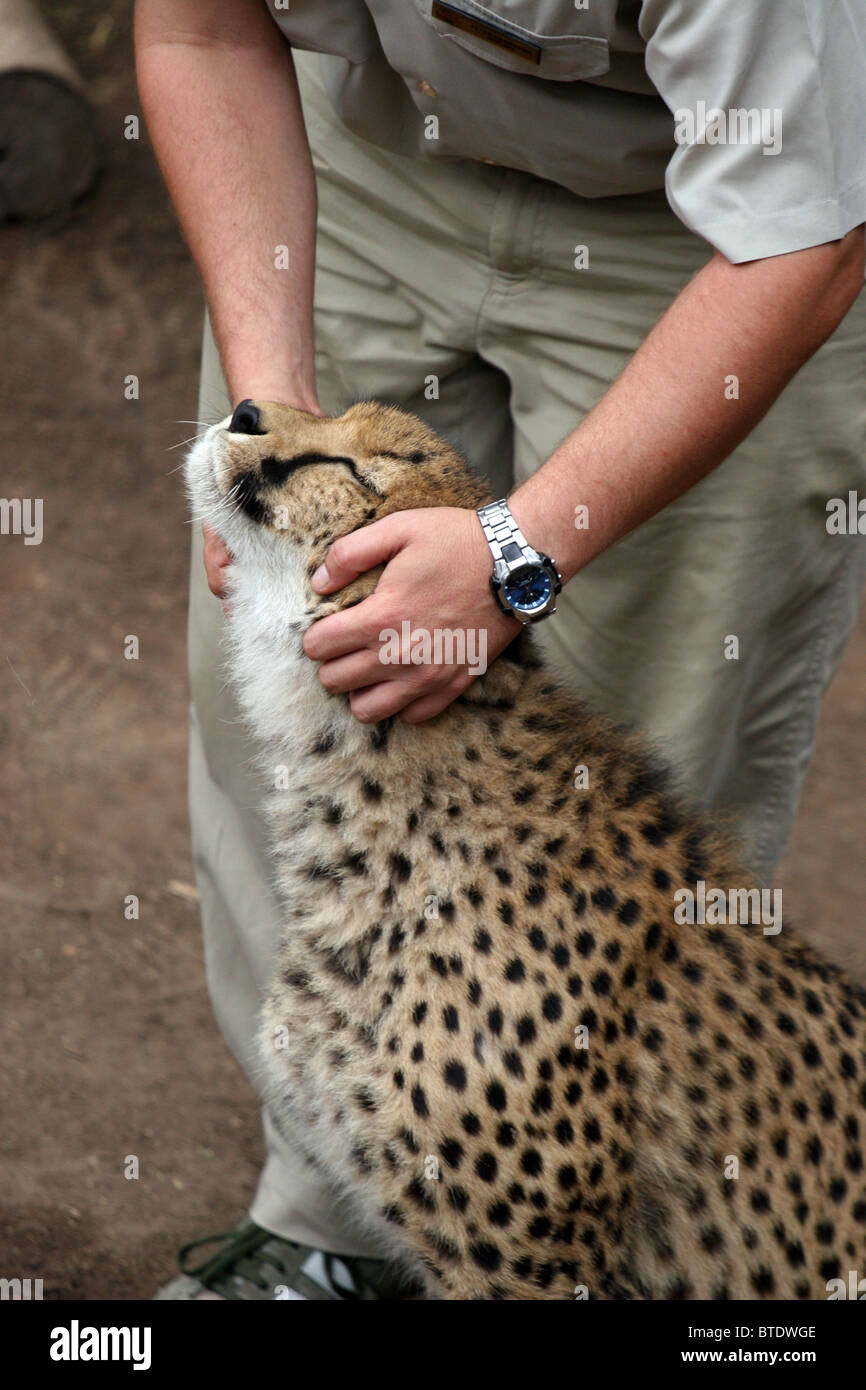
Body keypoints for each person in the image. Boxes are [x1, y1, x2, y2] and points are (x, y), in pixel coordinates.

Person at [136, 0, 866, 1299]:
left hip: (716, 215)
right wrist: (273, 422)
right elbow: (195, 33)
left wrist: (522, 551)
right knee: (294, 707)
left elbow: (801, 232)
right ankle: (331, 1229)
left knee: (649, 726)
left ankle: (636, 1261)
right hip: (363, 152)